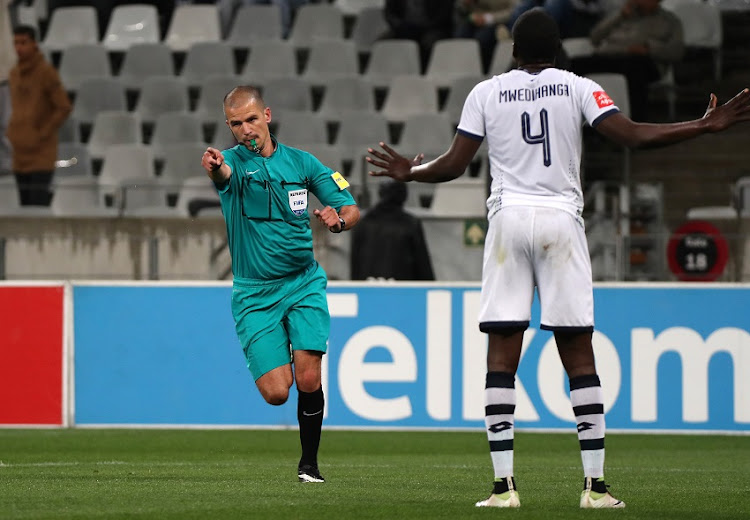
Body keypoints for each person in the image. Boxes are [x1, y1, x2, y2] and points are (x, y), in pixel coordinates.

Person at [366, 8, 750, 509]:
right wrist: (702, 125)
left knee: (502, 351)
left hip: (507, 220)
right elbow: (631, 135)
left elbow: (456, 165)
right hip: (559, 221)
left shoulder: (486, 92)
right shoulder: (576, 86)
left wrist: (410, 173)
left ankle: (503, 487)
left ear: (512, 51)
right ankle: (595, 487)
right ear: (558, 51)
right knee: (577, 351)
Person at [201, 85, 360, 483]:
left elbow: (350, 206)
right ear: (229, 127)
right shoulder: (233, 165)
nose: (245, 130)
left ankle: (310, 465)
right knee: (277, 392)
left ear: (267, 115)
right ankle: (280, 348)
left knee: (309, 378)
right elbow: (224, 175)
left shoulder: (302, 164)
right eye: (236, 124)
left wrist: (338, 221)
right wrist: (216, 166)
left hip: (303, 282)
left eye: (251, 120)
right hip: (255, 293)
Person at [568, 0, 683, 121]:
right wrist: (620, 16)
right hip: (610, 56)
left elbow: (677, 52)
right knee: (574, 65)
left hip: (645, 61)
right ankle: (573, 120)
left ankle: (637, 122)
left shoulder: (670, 21)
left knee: (636, 67)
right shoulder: (622, 15)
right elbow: (595, 37)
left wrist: (649, 49)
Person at [6, 25, 71, 206]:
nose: (19, 47)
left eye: (23, 42)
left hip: (40, 153)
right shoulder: (12, 73)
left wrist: (42, 132)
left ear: (34, 44)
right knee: (23, 205)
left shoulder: (46, 72)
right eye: (15, 43)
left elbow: (64, 107)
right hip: (17, 152)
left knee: (37, 207)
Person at [350, 180, 435, 281]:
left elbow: (355, 261)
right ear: (403, 196)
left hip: (369, 288)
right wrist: (430, 286)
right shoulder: (410, 223)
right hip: (403, 291)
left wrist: (356, 285)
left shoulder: (363, 222)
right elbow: (422, 264)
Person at [381, 0, 455, 72]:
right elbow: (389, 13)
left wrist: (424, 27)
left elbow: (444, 14)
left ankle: (425, 75)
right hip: (404, 28)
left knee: (429, 42)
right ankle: (392, 74)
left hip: (433, 28)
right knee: (381, 43)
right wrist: (399, 25)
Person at [454, 0, 516, 72]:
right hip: (475, 19)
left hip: (499, 21)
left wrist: (489, 18)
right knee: (461, 34)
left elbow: (514, 10)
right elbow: (461, 8)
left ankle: (484, 72)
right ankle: (463, 70)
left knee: (483, 38)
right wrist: (465, 4)